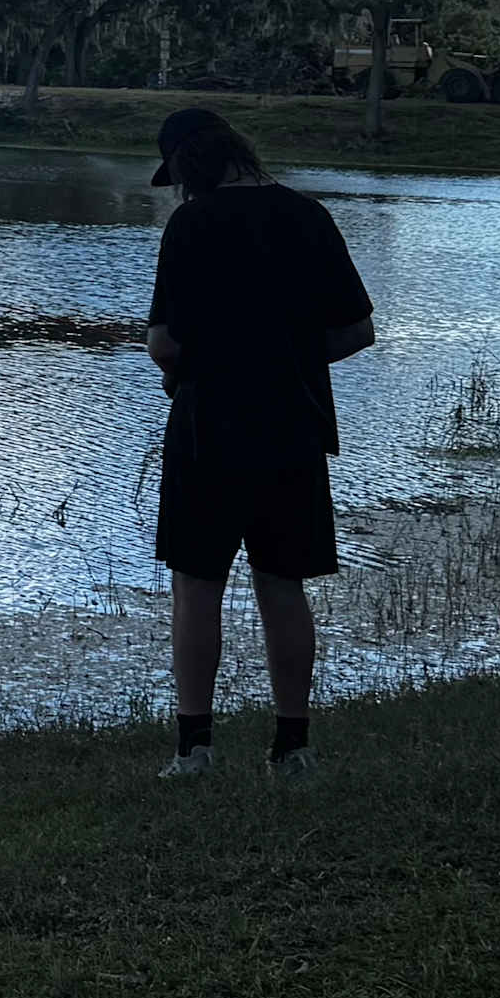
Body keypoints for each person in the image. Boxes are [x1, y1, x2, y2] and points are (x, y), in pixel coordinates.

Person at [141, 106, 374, 782]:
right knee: (282, 583)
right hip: (293, 428)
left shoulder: (192, 224)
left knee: (196, 585)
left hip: (207, 429)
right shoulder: (309, 216)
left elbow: (164, 344)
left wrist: (212, 364)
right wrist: (286, 359)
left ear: (189, 165)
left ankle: (194, 750)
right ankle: (292, 748)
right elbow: (357, 330)